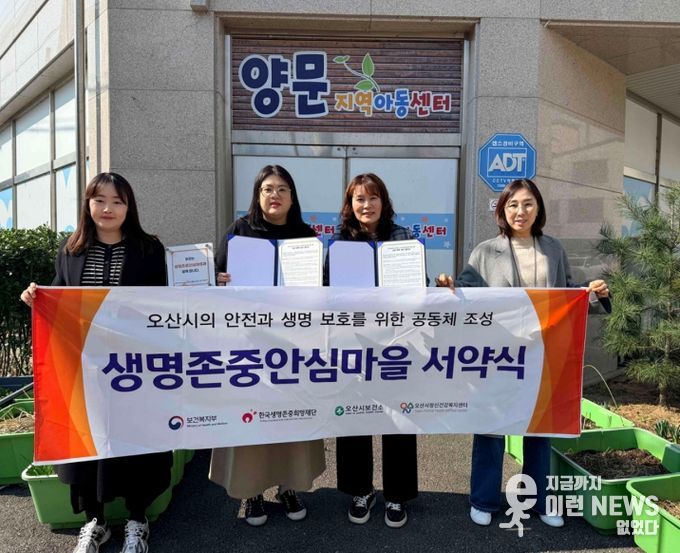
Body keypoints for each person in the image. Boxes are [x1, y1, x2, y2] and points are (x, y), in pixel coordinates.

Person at [435, 178, 610, 529]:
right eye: (513, 204)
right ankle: (483, 499)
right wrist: (446, 287)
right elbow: (466, 294)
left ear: (538, 208)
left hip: (542, 354)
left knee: (540, 430)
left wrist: (593, 293)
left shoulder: (553, 249)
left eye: (528, 204)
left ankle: (539, 500)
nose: (521, 211)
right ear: (502, 210)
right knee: (491, 428)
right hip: (499, 355)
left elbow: (568, 297)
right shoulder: (485, 252)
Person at [20, 172, 172, 553]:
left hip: (133, 368)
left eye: (117, 201)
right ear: (87, 204)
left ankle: (137, 519)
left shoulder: (148, 249)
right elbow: (58, 296)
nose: (108, 208)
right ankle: (95, 521)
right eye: (99, 200)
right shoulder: (70, 250)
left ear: (129, 207)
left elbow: (165, 303)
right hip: (83, 368)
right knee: (86, 446)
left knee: (136, 442)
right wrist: (36, 297)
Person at [209, 164, 326, 526]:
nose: (275, 195)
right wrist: (219, 279)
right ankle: (252, 492)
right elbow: (214, 282)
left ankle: (289, 487)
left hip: (294, 346)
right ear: (257, 195)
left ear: (292, 197)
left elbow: (322, 290)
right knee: (251, 420)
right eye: (267, 189)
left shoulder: (306, 237)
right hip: (248, 344)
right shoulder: (239, 231)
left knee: (292, 419)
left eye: (282, 189)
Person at [328, 173, 419, 529]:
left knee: (398, 419)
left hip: (396, 344)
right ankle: (360, 490)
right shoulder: (339, 242)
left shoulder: (403, 238)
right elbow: (325, 290)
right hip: (353, 343)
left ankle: (397, 494)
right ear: (350, 205)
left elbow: (418, 289)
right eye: (359, 199)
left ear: (384, 201)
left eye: (373, 197)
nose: (367, 205)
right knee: (354, 416)